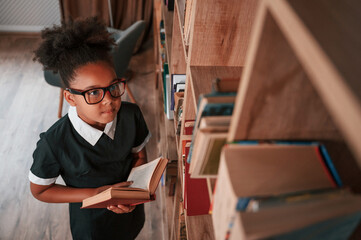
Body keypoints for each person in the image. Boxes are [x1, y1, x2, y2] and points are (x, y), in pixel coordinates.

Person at [29, 17, 151, 240]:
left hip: (131, 215)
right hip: (92, 228)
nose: (109, 100)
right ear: (70, 98)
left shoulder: (131, 114)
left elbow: (139, 157)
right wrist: (96, 194)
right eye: (93, 92)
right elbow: (40, 190)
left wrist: (130, 193)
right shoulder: (54, 143)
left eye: (113, 87)